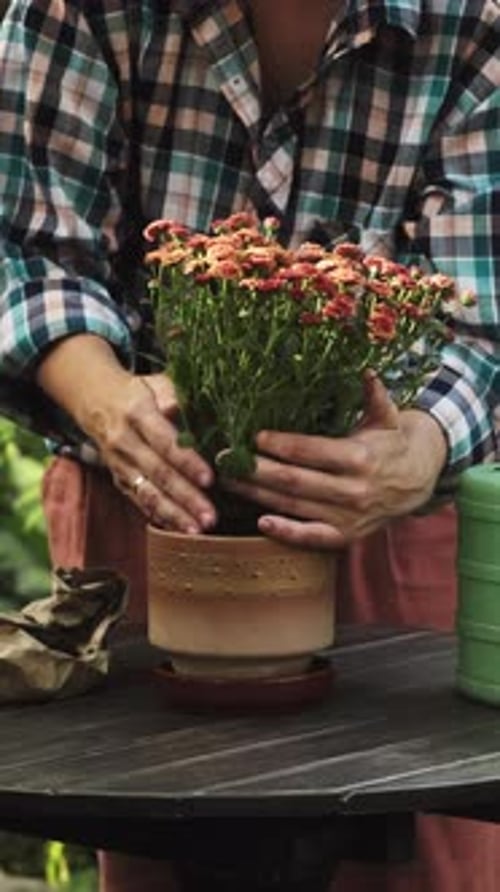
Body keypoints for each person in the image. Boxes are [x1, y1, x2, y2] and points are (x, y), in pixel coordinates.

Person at [0, 1, 499, 890]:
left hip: (393, 514)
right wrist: (111, 402)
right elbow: (26, 241)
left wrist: (418, 448)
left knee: (421, 844)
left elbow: (481, 315)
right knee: (164, 828)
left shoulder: (474, 22)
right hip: (152, 490)